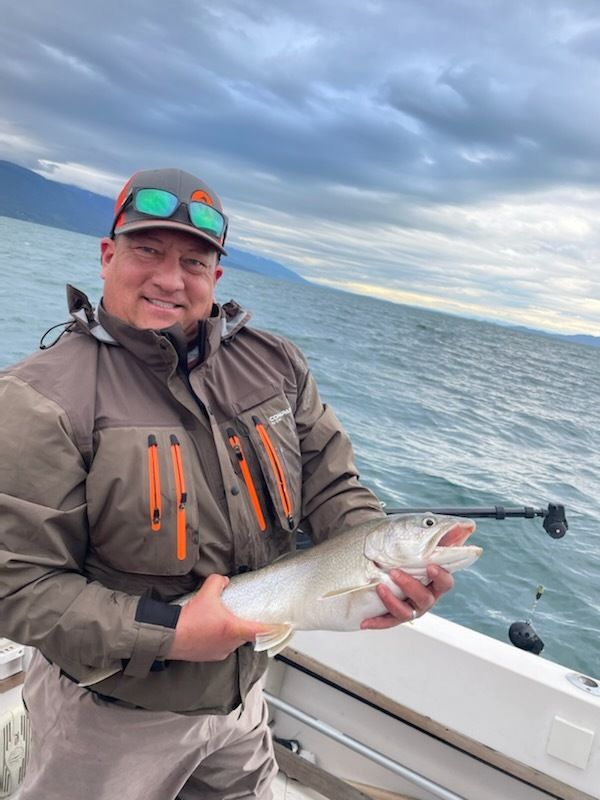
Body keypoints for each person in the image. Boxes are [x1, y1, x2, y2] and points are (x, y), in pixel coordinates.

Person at [0, 167, 454, 799]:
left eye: (194, 261)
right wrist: (173, 633)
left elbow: (333, 488)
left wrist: (382, 566)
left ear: (216, 277)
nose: (169, 278)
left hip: (242, 702)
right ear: (108, 256)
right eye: (147, 250)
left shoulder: (275, 362)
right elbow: (18, 585)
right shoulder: (38, 398)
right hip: (107, 718)